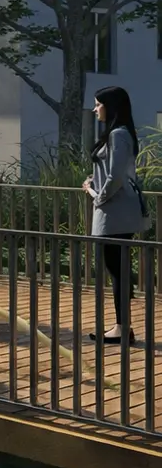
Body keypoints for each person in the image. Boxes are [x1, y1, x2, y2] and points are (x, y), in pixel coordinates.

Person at [84, 86, 148, 345]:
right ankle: (121, 325)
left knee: (117, 269)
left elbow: (116, 176)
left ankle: (123, 327)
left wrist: (95, 194)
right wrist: (94, 184)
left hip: (116, 210)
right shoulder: (116, 134)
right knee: (116, 268)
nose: (95, 109)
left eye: (98, 104)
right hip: (114, 208)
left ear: (110, 106)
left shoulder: (118, 134)